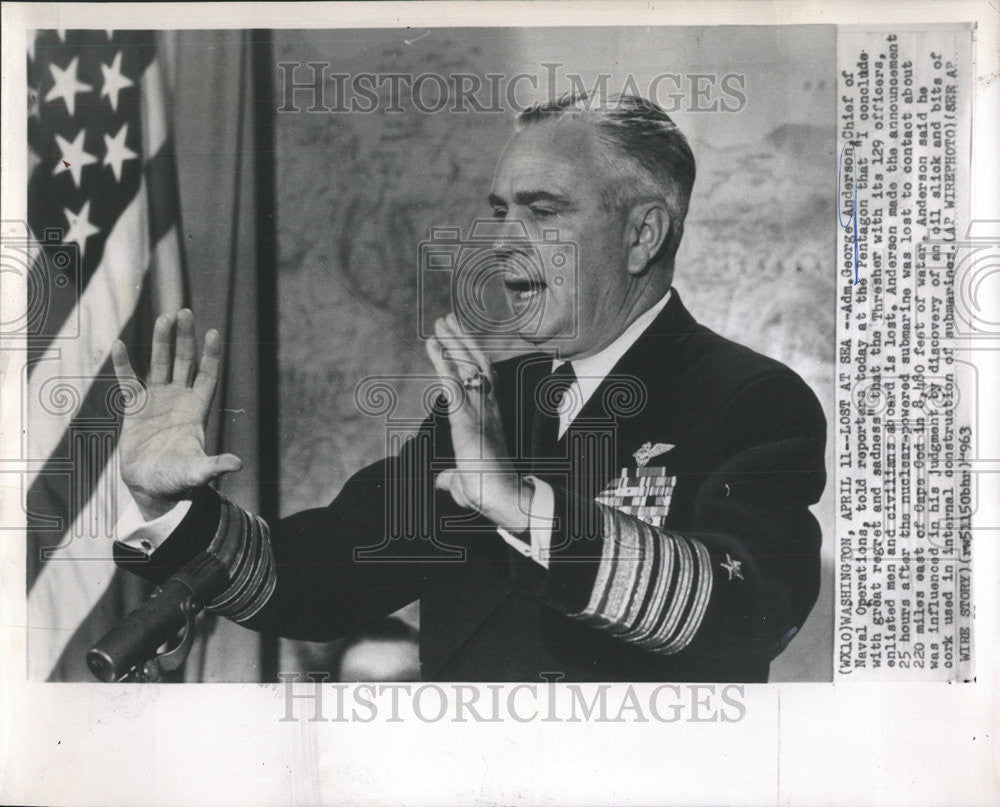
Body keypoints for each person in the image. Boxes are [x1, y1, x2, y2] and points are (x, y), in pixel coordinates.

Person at [111, 93, 827, 682]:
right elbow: (321, 579)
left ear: (643, 235)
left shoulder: (751, 398)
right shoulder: (499, 397)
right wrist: (174, 507)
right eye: (500, 211)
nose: (504, 242)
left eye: (542, 212)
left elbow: (752, 612)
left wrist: (523, 510)